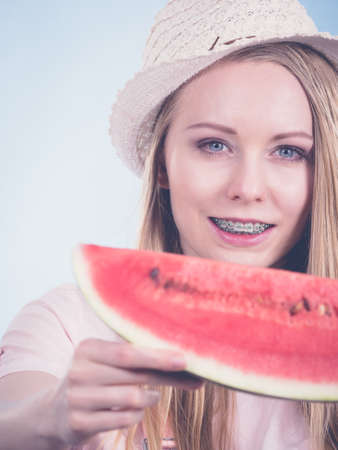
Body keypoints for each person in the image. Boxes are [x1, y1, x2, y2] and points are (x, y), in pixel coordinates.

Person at [0, 0, 337, 449]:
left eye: (289, 151)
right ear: (162, 163)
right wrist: (52, 418)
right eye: (214, 144)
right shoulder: (70, 324)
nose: (248, 188)